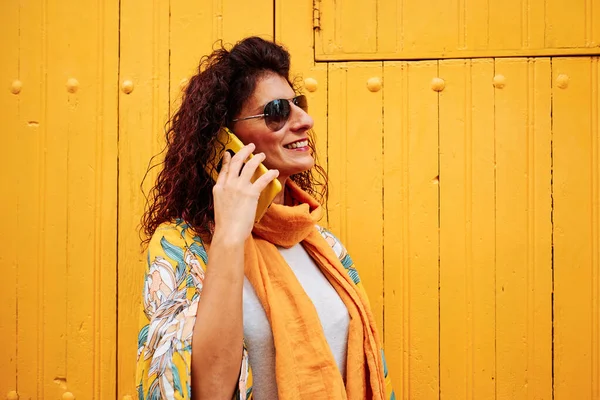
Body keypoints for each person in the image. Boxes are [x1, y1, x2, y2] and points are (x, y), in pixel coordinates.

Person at [135, 36, 395, 400]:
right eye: (277, 111)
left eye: (298, 104)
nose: (305, 120)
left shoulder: (322, 245)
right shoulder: (182, 248)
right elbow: (206, 391)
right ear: (224, 142)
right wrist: (229, 235)